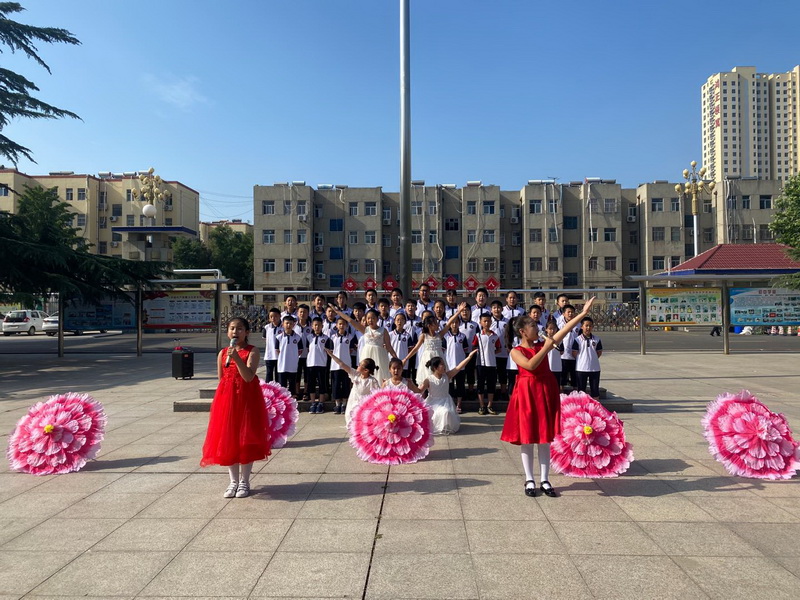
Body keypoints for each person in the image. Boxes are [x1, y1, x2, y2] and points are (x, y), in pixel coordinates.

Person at [501, 297, 595, 498]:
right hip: (526, 394)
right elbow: (530, 365)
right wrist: (546, 347)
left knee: (544, 438)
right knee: (527, 438)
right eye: (533, 326)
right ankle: (529, 479)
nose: (538, 328)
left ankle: (544, 479)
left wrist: (583, 313)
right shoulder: (516, 351)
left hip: (544, 391)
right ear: (522, 331)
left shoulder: (543, 344)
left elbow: (566, 329)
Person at [201, 318, 270, 499]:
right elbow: (221, 378)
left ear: (247, 332)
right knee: (229, 439)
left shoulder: (252, 351)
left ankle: (244, 481)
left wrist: (237, 358)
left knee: (246, 439)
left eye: (239, 329)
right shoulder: (223, 353)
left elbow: (248, 377)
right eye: (232, 328)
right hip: (228, 401)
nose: (235, 332)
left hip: (247, 401)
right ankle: (233, 481)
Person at [404, 304, 466, 387]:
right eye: (435, 323)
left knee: (439, 379)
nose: (438, 325)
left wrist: (459, 311)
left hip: (439, 358)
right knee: (427, 380)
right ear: (429, 326)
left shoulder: (439, 335)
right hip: (427, 359)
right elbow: (415, 349)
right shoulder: (423, 336)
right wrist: (405, 359)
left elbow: (449, 323)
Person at [419, 352, 478, 435]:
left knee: (446, 411)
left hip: (445, 401)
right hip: (433, 402)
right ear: (435, 367)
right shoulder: (428, 379)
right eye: (442, 364)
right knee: (435, 414)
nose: (444, 366)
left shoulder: (447, 376)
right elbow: (419, 390)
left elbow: (458, 367)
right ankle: (438, 426)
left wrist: (469, 357)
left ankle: (445, 427)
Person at [333, 305, 397, 380]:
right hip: (367, 355)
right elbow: (350, 320)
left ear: (377, 319)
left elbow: (389, 346)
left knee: (379, 374)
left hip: (380, 355)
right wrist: (338, 312)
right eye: (368, 318)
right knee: (365, 374)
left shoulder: (383, 330)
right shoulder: (365, 329)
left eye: (373, 318)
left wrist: (396, 358)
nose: (370, 320)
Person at [325, 350, 381, 426]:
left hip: (364, 406)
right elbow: (342, 364)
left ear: (366, 370)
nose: (358, 366)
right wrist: (331, 355)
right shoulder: (355, 375)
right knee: (351, 421)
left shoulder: (372, 381)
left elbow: (378, 394)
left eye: (360, 365)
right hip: (353, 403)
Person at [473, 313, 501, 415]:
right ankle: (481, 406)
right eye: (484, 321)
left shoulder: (495, 336)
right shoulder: (478, 335)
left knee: (491, 385)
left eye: (488, 321)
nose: (486, 323)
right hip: (480, 364)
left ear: (491, 322)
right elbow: (474, 347)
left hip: (492, 364)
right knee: (480, 385)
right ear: (480, 322)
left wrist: (491, 353)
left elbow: (499, 349)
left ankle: (489, 405)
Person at [329, 317, 358, 414]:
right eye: (339, 324)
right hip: (335, 366)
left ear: (346, 326)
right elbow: (331, 351)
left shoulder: (350, 337)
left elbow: (351, 350)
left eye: (343, 324)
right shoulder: (332, 337)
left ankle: (344, 404)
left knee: (346, 384)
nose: (341, 326)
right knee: (336, 385)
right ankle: (337, 404)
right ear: (336, 325)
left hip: (346, 365)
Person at [305, 318, 333, 413]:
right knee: (311, 384)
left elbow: (328, 352)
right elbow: (308, 349)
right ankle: (313, 403)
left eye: (319, 325)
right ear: (312, 326)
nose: (317, 327)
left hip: (322, 364)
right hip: (311, 364)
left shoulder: (326, 338)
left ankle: (321, 403)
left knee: (322, 384)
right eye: (315, 325)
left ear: (322, 326)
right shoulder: (309, 337)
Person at [572, 316, 603, 400]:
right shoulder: (577, 340)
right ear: (582, 327)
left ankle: (596, 405)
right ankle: (582, 405)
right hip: (581, 368)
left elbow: (599, 352)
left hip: (594, 368)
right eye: (586, 325)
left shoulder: (597, 339)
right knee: (581, 390)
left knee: (595, 390)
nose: (588, 328)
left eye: (590, 326)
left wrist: (592, 358)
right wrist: (582, 359)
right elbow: (574, 353)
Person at [443, 319, 469, 413]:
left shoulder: (463, 336)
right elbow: (443, 350)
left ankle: (459, 404)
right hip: (449, 365)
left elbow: (465, 349)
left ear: (459, 324)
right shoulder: (446, 336)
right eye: (452, 323)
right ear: (449, 324)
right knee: (449, 386)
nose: (454, 325)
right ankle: (451, 404)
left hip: (460, 365)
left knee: (460, 385)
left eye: (456, 323)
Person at [276, 315, 304, 395]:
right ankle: (283, 399)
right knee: (282, 386)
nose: (288, 325)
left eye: (291, 323)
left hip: (293, 366)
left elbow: (300, 350)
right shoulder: (279, 337)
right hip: (282, 366)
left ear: (293, 325)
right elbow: (277, 350)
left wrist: (293, 356)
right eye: (287, 323)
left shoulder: (298, 338)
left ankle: (292, 399)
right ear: (283, 324)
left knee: (292, 385)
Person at [388, 312, 417, 379]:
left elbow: (410, 349)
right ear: (394, 321)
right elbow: (386, 347)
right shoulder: (390, 334)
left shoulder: (408, 335)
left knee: (403, 381)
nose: (399, 321)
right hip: (391, 361)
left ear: (405, 322)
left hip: (403, 363)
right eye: (398, 319)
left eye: (402, 319)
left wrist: (405, 359)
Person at [262, 308, 281, 382]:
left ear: (280, 316)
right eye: (271, 316)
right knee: (269, 374)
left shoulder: (283, 327)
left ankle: (278, 387)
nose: (273, 318)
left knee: (278, 374)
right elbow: (265, 339)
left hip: (279, 355)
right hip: (269, 355)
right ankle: (268, 388)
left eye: (275, 316)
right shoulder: (267, 327)